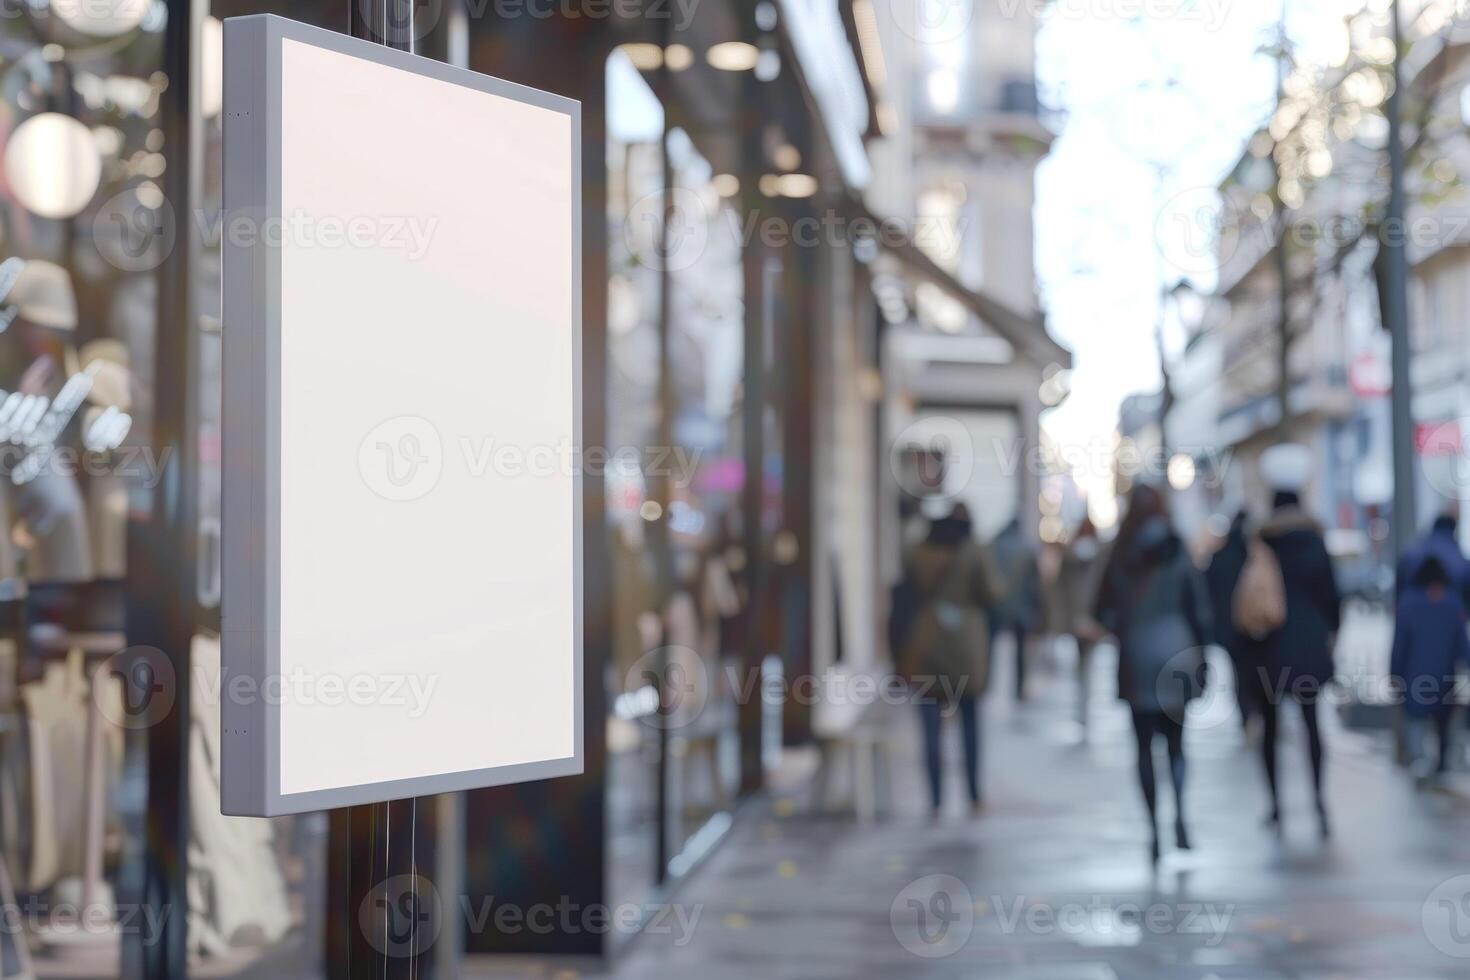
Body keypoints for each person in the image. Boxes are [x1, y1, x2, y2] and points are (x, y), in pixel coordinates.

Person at [1094, 484, 1213, 863]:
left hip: (1136, 658)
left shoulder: (1121, 556)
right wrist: (1204, 655)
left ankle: (1153, 830)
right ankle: (1179, 812)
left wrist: (1125, 627)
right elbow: (1201, 611)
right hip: (1179, 655)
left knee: (1143, 748)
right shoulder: (1177, 552)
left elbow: (1101, 609)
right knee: (1177, 745)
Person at [1250, 443, 1342, 838]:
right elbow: (1333, 598)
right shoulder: (1315, 539)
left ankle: (1276, 805)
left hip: (1268, 646)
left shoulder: (1260, 541)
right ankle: (1319, 801)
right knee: (1311, 724)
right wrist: (1329, 636)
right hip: (1307, 646)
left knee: (1269, 728)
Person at [895, 503, 1003, 817]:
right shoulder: (975, 550)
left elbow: (906, 592)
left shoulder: (919, 550)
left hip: (925, 642)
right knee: (969, 721)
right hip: (965, 647)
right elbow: (993, 592)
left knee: (929, 726)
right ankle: (973, 793)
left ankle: (935, 798)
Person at [1390, 556, 1470, 780]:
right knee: (1442, 720)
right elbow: (1462, 642)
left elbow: (1399, 643)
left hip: (1415, 676)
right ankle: (1440, 762)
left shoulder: (1407, 602)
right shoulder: (1452, 602)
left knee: (1415, 718)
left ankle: (1418, 761)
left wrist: (1394, 673)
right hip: (1445, 674)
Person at [1204, 510, 1259, 732]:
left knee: (1238, 672)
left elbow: (1207, 591)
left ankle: (1247, 714)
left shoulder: (1221, 556)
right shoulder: (1255, 556)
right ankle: (1253, 712)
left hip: (1228, 627)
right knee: (1252, 669)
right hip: (1254, 625)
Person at [1055, 518, 1108, 730]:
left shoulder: (1072, 556)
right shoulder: (1101, 555)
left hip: (1078, 617)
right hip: (1089, 617)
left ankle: (1083, 705)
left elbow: (1059, 590)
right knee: (1086, 664)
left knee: (1082, 664)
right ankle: (1083, 705)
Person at [989, 518, 1041, 701]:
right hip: (1021, 606)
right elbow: (1035, 584)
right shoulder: (1027, 547)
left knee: (990, 647)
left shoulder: (994, 545)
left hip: (998, 604)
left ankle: (986, 685)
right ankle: (1018, 688)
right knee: (1020, 651)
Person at [1397, 509, 1470, 607]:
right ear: (1453, 530)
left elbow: (1398, 594)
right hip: (1449, 615)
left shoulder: (1410, 553)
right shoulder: (1460, 560)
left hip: (1412, 613)